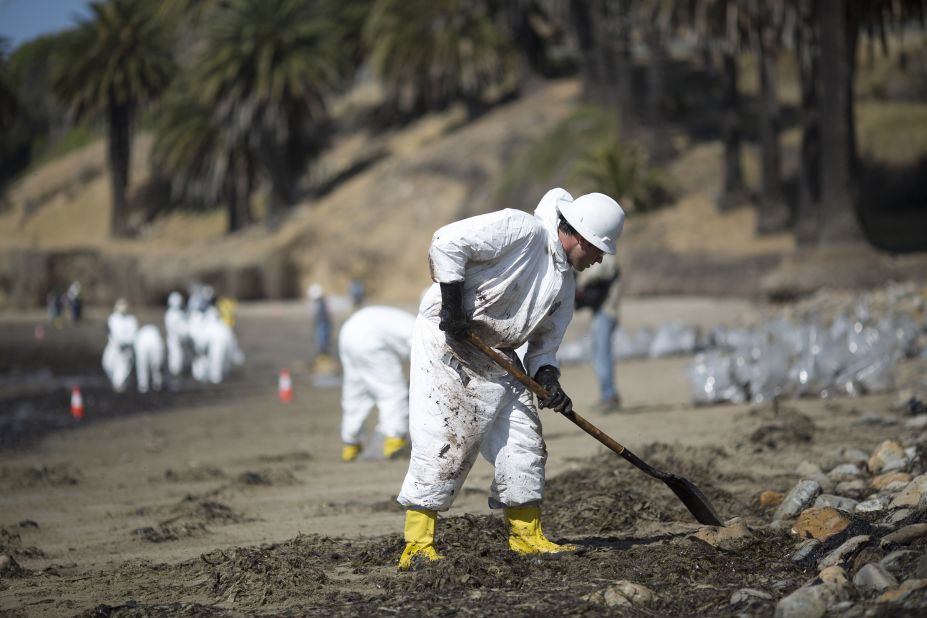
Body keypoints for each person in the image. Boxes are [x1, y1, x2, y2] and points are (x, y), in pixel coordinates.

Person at [396, 187, 625, 569]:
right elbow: (446, 242)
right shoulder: (522, 230)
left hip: (497, 354)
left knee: (525, 440)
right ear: (579, 235)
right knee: (446, 440)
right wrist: (452, 309)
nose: (599, 259)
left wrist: (549, 381)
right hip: (448, 341)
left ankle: (527, 537)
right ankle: (417, 545)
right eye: (598, 249)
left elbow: (543, 348)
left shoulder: (565, 284)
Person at [338, 305, 416, 462]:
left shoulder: (409, 322)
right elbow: (424, 364)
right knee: (392, 392)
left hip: (348, 333)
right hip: (370, 340)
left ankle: (351, 444)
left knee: (355, 392)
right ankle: (395, 441)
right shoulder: (422, 332)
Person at [575, 252, 623, 411]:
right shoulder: (606, 259)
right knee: (599, 355)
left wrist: (579, 282)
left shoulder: (607, 260)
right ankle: (608, 395)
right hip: (601, 313)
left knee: (602, 355)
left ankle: (609, 396)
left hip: (606, 313)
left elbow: (596, 276)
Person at [102, 298, 139, 392]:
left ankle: (119, 389)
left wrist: (126, 343)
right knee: (107, 364)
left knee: (122, 370)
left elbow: (133, 335)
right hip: (113, 348)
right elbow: (109, 331)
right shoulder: (112, 318)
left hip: (125, 351)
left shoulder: (131, 320)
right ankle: (117, 384)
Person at [164, 292, 189, 383]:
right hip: (174, 341)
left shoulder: (180, 314)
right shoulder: (170, 314)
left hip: (181, 341)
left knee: (180, 359)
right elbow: (173, 329)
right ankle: (174, 380)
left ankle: (179, 379)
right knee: (175, 360)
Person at [134, 324, 166, 393]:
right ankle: (143, 384)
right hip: (144, 339)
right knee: (142, 364)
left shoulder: (153, 334)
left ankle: (156, 383)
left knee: (155, 364)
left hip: (151, 339)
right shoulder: (142, 335)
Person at [308, 283, 332, 358]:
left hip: (322, 323)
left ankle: (322, 353)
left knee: (322, 339)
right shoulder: (321, 302)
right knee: (321, 338)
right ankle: (322, 353)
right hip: (321, 323)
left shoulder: (321, 303)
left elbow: (319, 314)